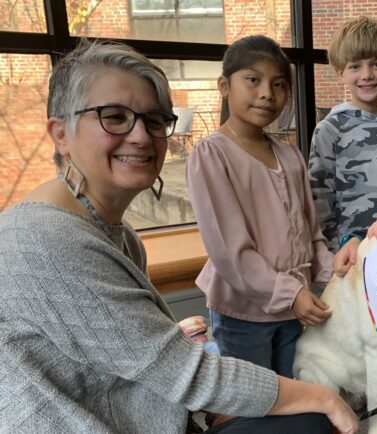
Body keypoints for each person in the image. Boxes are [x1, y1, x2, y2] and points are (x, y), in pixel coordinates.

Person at [0, 40, 357, 434]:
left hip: (169, 407)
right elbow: (184, 369)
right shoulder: (44, 241)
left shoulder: (120, 235)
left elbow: (142, 365)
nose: (139, 136)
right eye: (114, 117)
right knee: (312, 414)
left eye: (154, 121)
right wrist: (319, 395)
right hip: (242, 316)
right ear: (60, 134)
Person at [186, 35, 335, 379]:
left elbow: (311, 234)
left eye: (279, 84)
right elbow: (230, 252)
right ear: (224, 85)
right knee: (254, 396)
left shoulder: (290, 154)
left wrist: (335, 273)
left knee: (292, 386)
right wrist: (289, 292)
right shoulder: (211, 155)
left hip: (295, 306)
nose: (267, 93)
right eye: (252, 80)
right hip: (244, 314)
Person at [308, 16, 377, 251]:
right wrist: (330, 253)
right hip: (346, 251)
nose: (367, 74)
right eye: (355, 66)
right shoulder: (330, 129)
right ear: (341, 72)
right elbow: (320, 200)